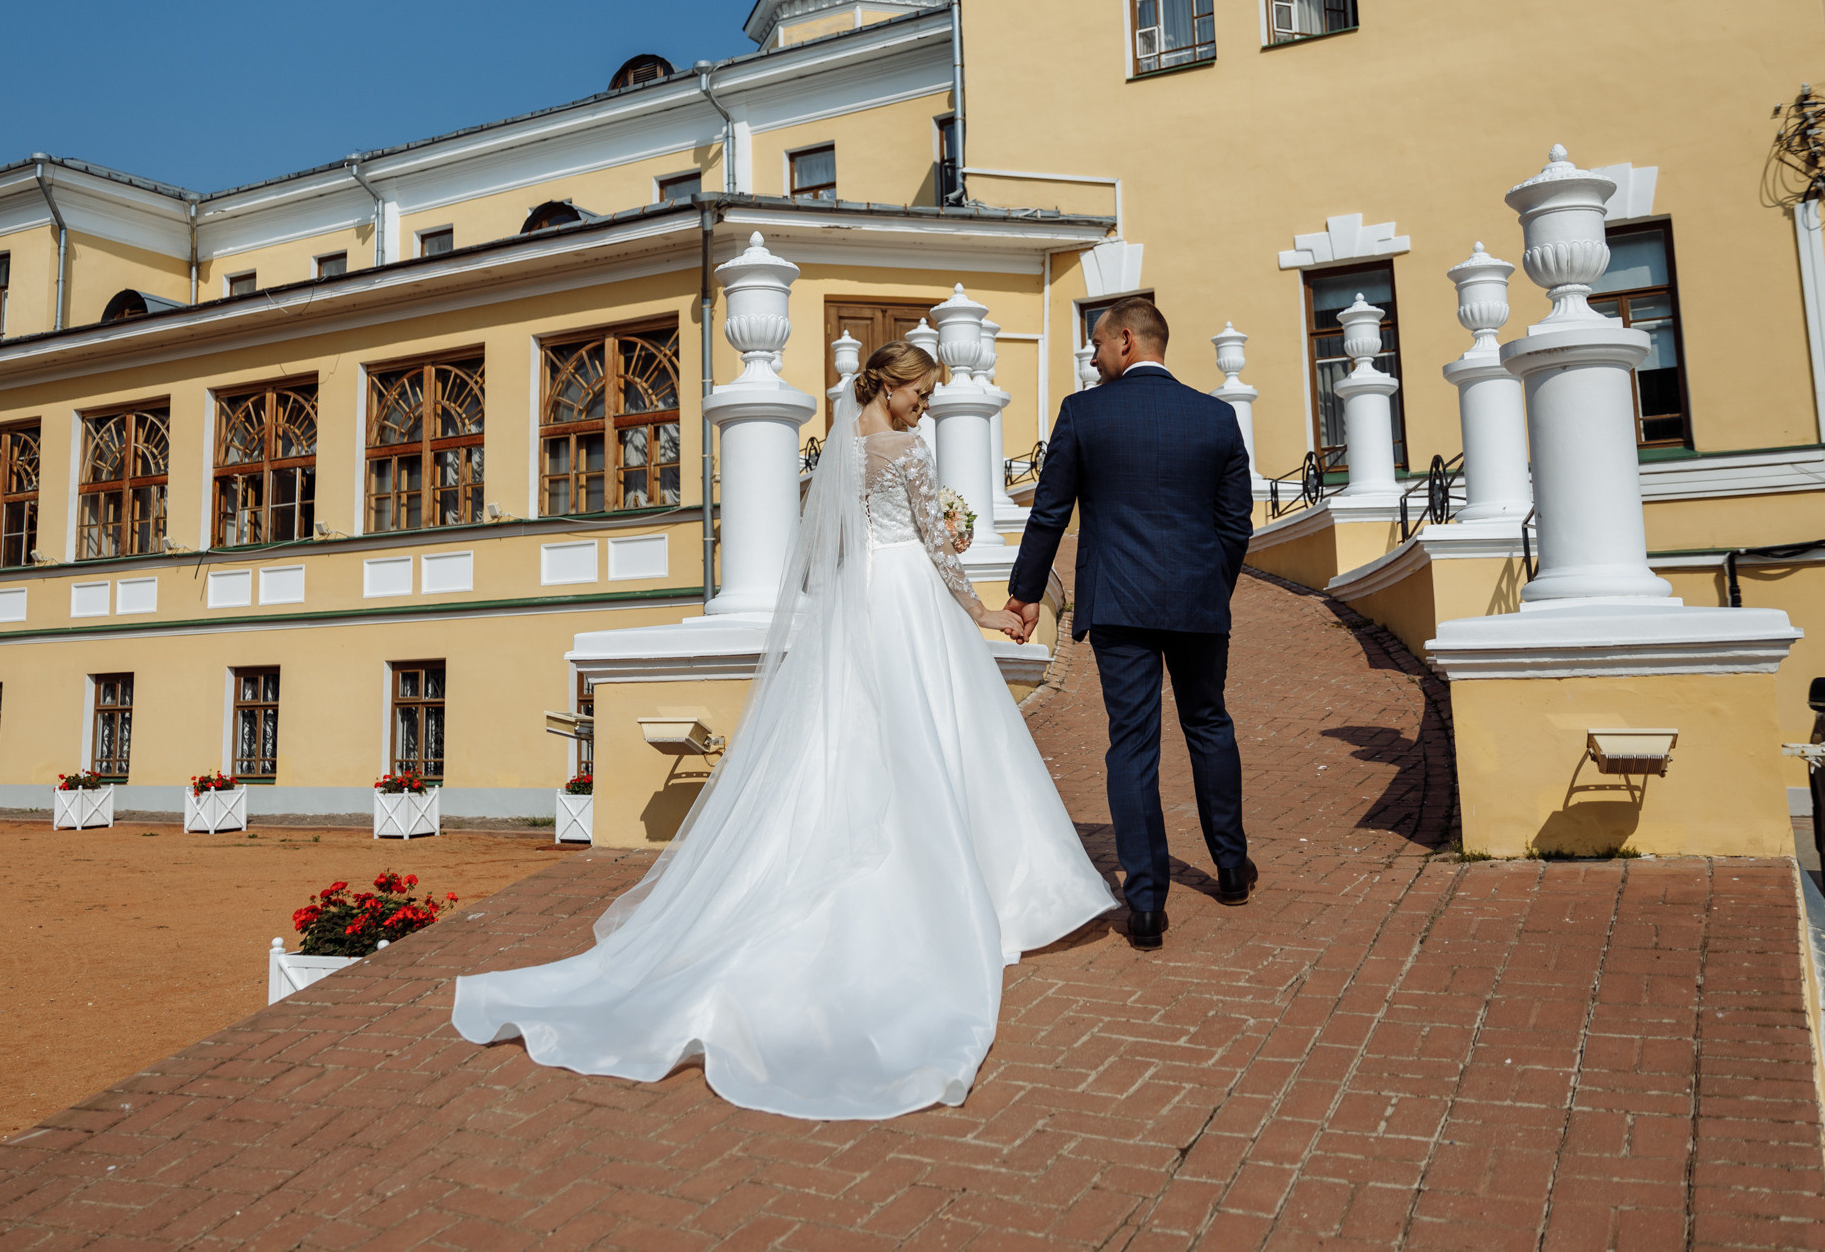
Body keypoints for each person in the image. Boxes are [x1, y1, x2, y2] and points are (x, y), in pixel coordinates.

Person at [454, 340, 1116, 1120]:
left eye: (932, 396)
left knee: (855, 737)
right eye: (922, 393)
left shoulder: (841, 444)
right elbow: (936, 547)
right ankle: (971, 890)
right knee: (933, 733)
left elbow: (830, 541)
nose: (926, 407)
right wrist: (979, 609)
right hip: (905, 597)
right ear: (893, 386)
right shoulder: (903, 447)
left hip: (856, 603)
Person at [1004, 296, 1255, 952]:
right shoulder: (1217, 417)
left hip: (1119, 603)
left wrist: (1025, 593)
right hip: (1200, 603)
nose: (1090, 357)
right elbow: (1235, 525)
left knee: (1134, 743)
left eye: (1094, 343)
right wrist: (1210, 586)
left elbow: (1049, 512)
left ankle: (1145, 903)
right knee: (1208, 723)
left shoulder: (1084, 414)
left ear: (1124, 340)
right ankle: (1231, 868)